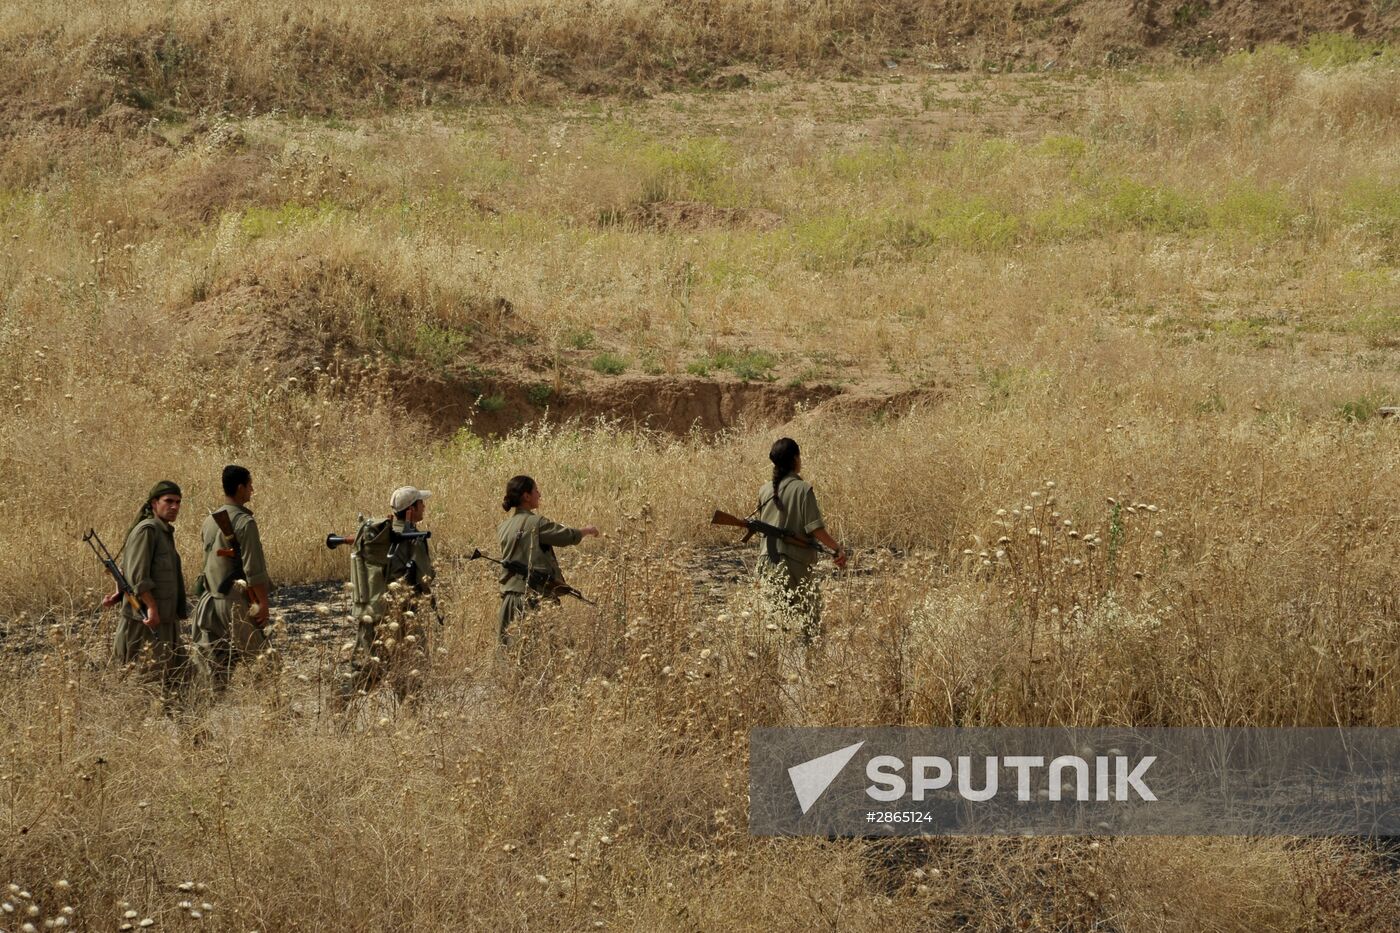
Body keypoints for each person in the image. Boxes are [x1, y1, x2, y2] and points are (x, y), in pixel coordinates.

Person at [753, 437, 847, 645]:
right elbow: (815, 528)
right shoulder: (803, 489)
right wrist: (837, 548)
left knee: (773, 628)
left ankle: (772, 674)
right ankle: (814, 670)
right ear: (796, 459)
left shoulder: (764, 490)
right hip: (794, 565)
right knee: (811, 626)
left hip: (766, 563)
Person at [344, 486, 434, 699]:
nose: (424, 506)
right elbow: (425, 578)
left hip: (373, 608)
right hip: (402, 614)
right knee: (413, 667)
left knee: (365, 666)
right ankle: (412, 716)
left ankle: (341, 701)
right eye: (421, 503)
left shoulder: (378, 534)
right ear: (411, 510)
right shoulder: (414, 538)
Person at [103, 480, 190, 696]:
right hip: (145, 622)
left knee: (179, 683)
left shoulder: (163, 532)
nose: (174, 507)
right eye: (168, 501)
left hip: (165, 621)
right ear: (154, 503)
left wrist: (118, 592)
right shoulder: (148, 531)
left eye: (178, 502)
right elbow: (137, 575)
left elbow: (127, 570)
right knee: (140, 687)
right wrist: (150, 606)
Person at [190, 465, 272, 691]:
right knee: (266, 664)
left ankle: (204, 715)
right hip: (235, 601)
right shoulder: (245, 522)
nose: (252, 490)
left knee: (216, 669)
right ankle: (277, 715)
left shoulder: (209, 520)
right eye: (249, 485)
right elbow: (254, 569)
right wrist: (262, 604)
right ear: (240, 488)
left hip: (210, 602)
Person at [496, 475, 597, 645]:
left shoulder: (503, 527)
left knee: (511, 654)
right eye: (536, 490)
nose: (539, 494)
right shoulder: (537, 523)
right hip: (536, 597)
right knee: (555, 650)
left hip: (509, 598)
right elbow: (565, 537)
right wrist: (586, 530)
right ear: (526, 496)